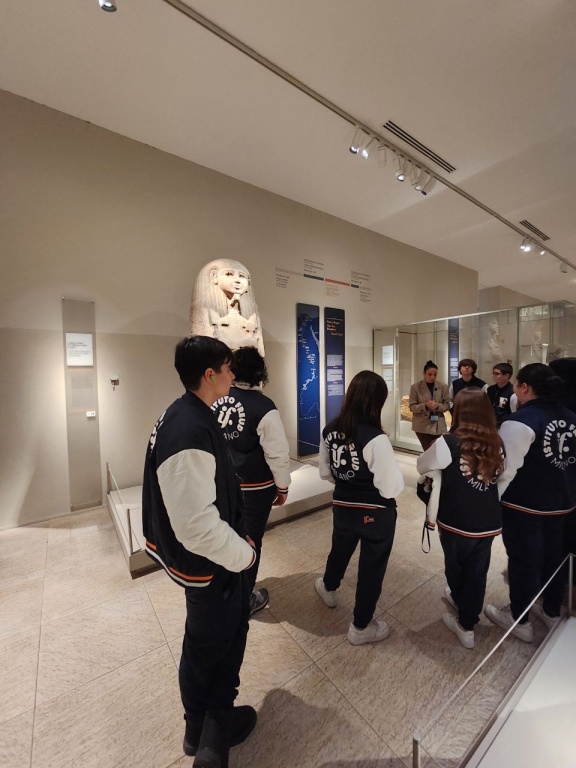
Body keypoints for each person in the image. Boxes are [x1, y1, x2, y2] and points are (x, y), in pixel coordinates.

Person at [142, 336, 257, 768]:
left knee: (221, 636)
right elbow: (195, 527)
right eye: (227, 367)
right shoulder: (187, 429)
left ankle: (214, 719)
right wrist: (243, 555)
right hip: (210, 567)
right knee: (208, 642)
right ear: (210, 374)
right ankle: (202, 730)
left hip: (216, 562)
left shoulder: (189, 413)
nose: (233, 374)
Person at [485, 363, 576, 642]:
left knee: (523, 560)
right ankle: (551, 609)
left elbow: (506, 469)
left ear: (524, 387)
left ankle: (519, 618)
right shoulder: (570, 417)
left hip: (525, 505)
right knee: (554, 556)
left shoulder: (521, 421)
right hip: (562, 503)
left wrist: (492, 502)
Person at [315, 371, 404, 645]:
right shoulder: (375, 438)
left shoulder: (330, 429)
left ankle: (329, 587)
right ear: (377, 401)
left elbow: (325, 472)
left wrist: (348, 482)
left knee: (340, 549)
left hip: (343, 505)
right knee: (371, 567)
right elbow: (390, 487)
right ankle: (361, 626)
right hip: (376, 512)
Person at [417, 389, 505, 649]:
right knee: (478, 571)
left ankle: (463, 616)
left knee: (455, 566)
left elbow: (422, 465)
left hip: (456, 519)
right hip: (488, 520)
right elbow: (500, 475)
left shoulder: (449, 442)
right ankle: (468, 615)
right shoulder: (497, 442)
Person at [211, 346, 291, 617]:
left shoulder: (215, 400)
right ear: (260, 372)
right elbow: (277, 453)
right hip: (255, 488)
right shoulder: (264, 407)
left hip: (221, 486)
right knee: (251, 541)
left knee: (224, 538)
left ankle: (223, 592)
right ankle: (244, 599)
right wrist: (282, 486)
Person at [189, 259, 265, 357]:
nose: (237, 280)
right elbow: (205, 352)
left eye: (242, 276)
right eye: (229, 274)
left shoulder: (253, 313)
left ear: (248, 282)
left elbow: (260, 352)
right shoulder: (204, 309)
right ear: (214, 276)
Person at [408, 361, 451, 451]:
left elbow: (447, 405)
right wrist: (425, 406)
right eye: (430, 374)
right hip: (422, 425)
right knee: (428, 451)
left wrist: (438, 406)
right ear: (424, 373)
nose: (433, 377)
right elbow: (412, 407)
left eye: (435, 374)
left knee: (439, 451)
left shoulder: (443, 387)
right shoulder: (415, 387)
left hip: (438, 425)